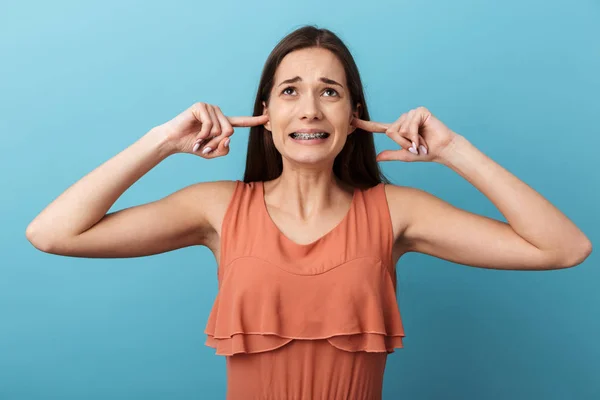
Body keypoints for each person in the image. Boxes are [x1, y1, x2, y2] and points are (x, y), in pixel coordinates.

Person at [26, 25, 592, 400]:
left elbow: (565, 248)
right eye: (291, 91)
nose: (310, 108)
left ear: (354, 116)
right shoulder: (217, 208)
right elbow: (52, 233)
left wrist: (453, 150)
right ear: (265, 114)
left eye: (330, 91)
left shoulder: (397, 212)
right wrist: (163, 140)